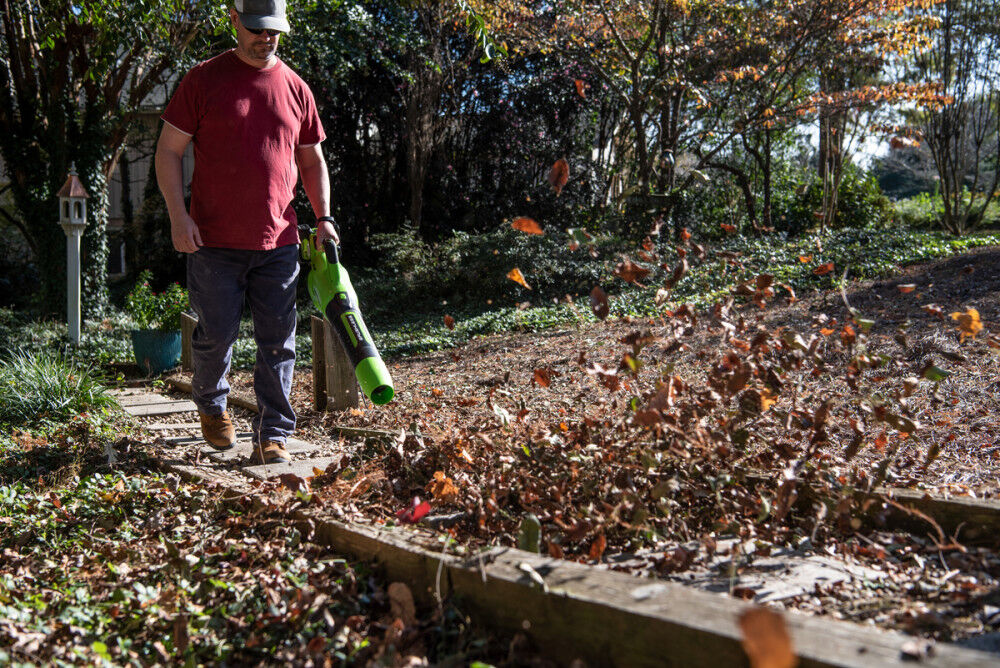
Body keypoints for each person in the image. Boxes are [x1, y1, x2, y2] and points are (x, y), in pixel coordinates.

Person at [155, 0, 337, 465]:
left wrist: (324, 218)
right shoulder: (203, 80)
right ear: (234, 20)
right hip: (212, 242)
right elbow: (168, 152)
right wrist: (179, 216)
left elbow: (311, 160)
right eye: (256, 29)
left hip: (279, 240)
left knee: (279, 339)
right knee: (216, 335)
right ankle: (213, 406)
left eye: (274, 30)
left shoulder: (296, 87)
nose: (266, 38)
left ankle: (273, 431)